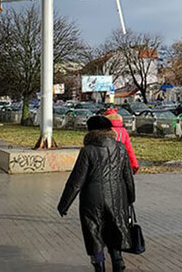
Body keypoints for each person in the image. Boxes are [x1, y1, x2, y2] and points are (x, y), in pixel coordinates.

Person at [58, 116, 136, 272]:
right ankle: (117, 261)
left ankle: (99, 264)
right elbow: (128, 175)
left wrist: (64, 204)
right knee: (115, 230)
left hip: (91, 200)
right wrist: (131, 197)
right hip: (117, 197)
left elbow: (76, 181)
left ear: (90, 131)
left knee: (94, 233)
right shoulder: (120, 148)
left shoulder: (87, 151)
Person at [105, 108, 139, 174]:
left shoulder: (104, 130)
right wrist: (134, 164)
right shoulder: (123, 131)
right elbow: (129, 149)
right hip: (120, 160)